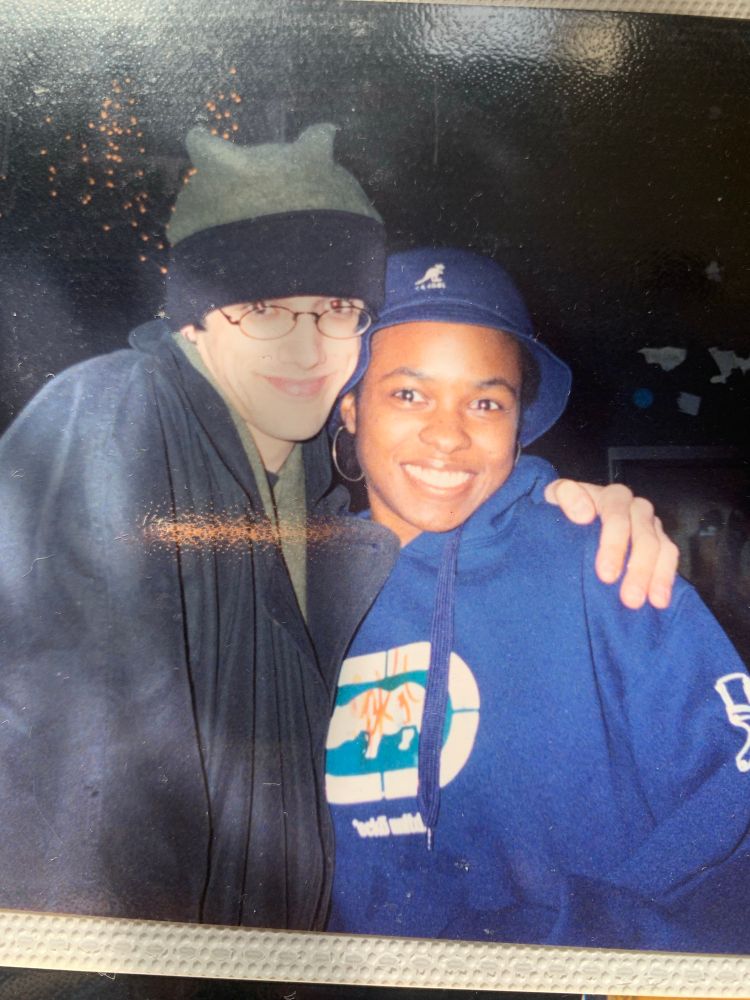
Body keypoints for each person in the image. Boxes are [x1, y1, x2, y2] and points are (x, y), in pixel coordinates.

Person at [0, 126, 674, 930]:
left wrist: (559, 506)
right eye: (262, 309)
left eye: (336, 310)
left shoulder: (314, 520)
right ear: (193, 320)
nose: (304, 347)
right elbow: (57, 770)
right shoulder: (120, 421)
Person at [325, 247, 750, 953]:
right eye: (409, 394)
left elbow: (734, 800)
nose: (448, 434)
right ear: (350, 407)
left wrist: (593, 949)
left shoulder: (603, 562)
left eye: (485, 401)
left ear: (518, 422)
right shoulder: (295, 592)